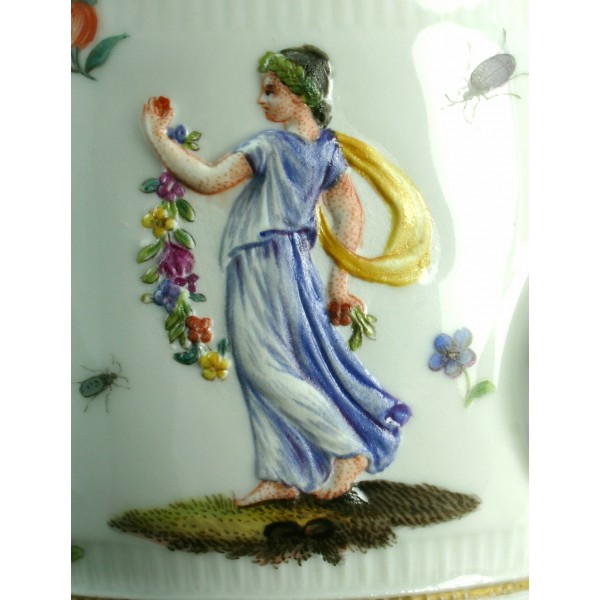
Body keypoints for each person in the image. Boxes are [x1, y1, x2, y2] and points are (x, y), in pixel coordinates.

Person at [142, 45, 427, 507]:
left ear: (300, 95)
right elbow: (350, 214)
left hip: (262, 260)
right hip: (293, 264)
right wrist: (338, 283)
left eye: (271, 90)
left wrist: (158, 138)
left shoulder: (271, 146)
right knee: (273, 365)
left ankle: (346, 448)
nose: (261, 99)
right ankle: (283, 473)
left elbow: (210, 181)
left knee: (265, 367)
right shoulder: (326, 150)